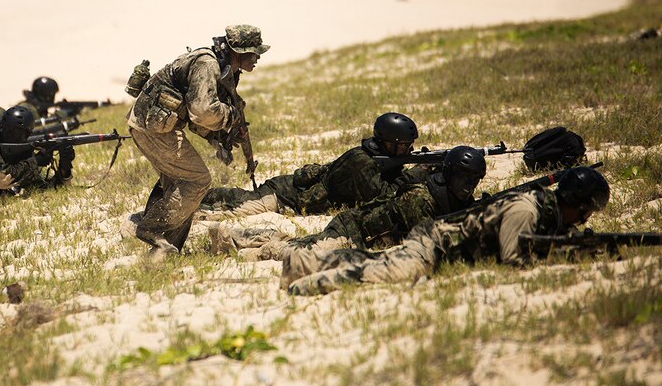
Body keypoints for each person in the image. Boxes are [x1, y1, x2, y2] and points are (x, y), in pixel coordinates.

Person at [283, 165, 610, 296]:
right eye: (585, 211)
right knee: (385, 274)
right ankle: (303, 287)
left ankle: (301, 263)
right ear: (573, 202)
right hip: (433, 247)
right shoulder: (526, 210)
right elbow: (515, 262)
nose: (584, 219)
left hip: (439, 245)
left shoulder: (545, 212)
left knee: (374, 260)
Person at [128, 24, 269, 256]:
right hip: (152, 127)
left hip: (157, 125)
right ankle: (152, 228)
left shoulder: (225, 69)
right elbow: (202, 112)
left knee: (180, 185)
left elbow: (196, 119)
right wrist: (231, 116)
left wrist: (220, 137)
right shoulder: (208, 64)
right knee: (198, 180)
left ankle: (165, 251)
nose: (257, 58)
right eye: (254, 52)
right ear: (238, 51)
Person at [210, 146, 486, 261]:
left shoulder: (438, 195)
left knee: (301, 244)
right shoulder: (418, 196)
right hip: (349, 231)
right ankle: (235, 240)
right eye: (462, 177)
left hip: (356, 230)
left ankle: (240, 237)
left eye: (474, 180)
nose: (468, 185)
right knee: (295, 252)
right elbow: (429, 243)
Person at [200, 112, 420, 219]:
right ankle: (189, 197)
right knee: (230, 209)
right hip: (284, 197)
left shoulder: (373, 158)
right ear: (388, 144)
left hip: (290, 196)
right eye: (404, 147)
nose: (408, 151)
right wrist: (412, 177)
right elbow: (381, 198)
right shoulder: (362, 162)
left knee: (235, 201)